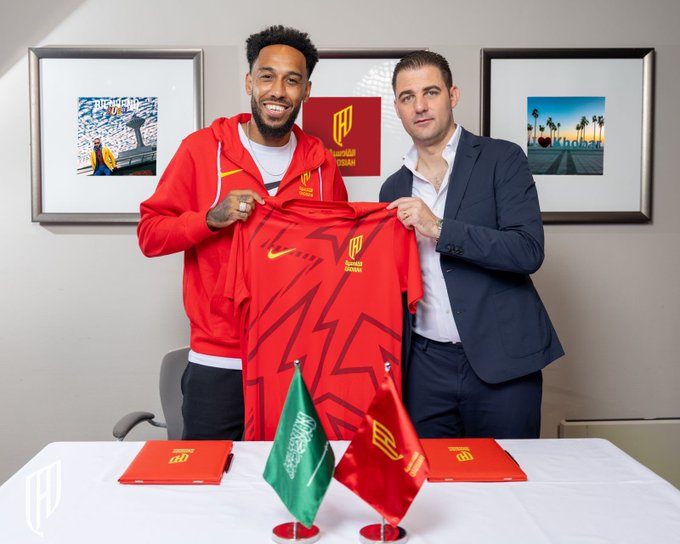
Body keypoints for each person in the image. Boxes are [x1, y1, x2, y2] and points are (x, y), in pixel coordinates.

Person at [137, 25, 348, 441]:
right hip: (220, 362)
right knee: (210, 476)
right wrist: (210, 218)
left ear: (306, 91)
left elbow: (338, 259)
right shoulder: (201, 150)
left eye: (292, 80)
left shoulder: (322, 164)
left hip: (298, 361)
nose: (278, 91)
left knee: (291, 477)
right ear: (250, 81)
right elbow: (150, 234)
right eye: (267, 76)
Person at [380, 51, 563, 439]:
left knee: (507, 473)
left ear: (453, 95)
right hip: (424, 368)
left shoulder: (502, 159)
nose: (420, 106)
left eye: (430, 92)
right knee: (430, 474)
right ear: (397, 108)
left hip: (503, 362)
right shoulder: (393, 188)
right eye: (408, 97)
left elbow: (527, 250)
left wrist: (438, 227)